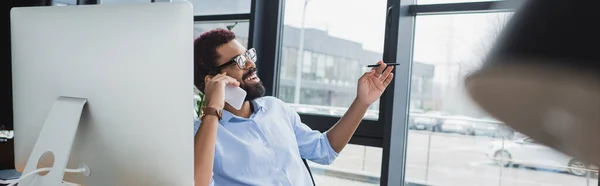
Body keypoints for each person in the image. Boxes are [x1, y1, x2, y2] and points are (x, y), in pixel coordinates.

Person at [193, 28, 394, 186]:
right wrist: (213, 107)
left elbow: (324, 150)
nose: (251, 65)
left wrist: (362, 102)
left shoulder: (275, 108)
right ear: (212, 80)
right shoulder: (200, 133)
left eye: (248, 56)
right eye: (239, 61)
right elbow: (197, 183)